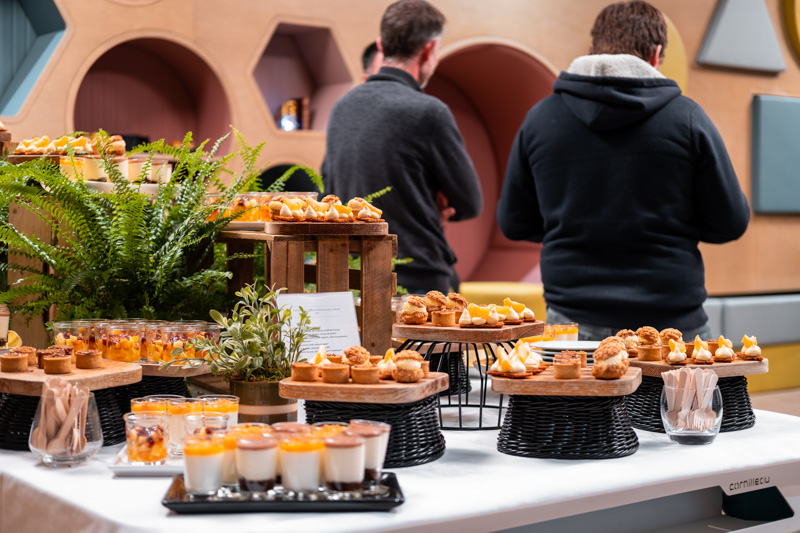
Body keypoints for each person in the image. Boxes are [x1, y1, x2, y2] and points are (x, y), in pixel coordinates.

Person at [497, 0, 750, 341]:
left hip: (571, 319)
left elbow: (514, 222)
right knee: (676, 399)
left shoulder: (540, 120)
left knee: (571, 398)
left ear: (592, 49)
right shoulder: (688, 119)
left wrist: (575, 224)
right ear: (656, 55)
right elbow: (730, 222)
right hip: (672, 325)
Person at [322, 0, 482, 295]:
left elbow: (328, 193)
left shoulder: (341, 108)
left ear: (381, 45)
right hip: (417, 278)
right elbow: (470, 201)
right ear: (430, 50)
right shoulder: (430, 112)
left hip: (351, 275)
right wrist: (438, 202)